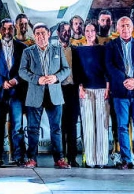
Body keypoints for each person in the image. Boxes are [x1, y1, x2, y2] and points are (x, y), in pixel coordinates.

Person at [19, 23, 71, 169]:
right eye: (37, 34)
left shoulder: (57, 49)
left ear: (48, 34)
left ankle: (59, 159)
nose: (40, 36)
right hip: (35, 94)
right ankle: (32, 158)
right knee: (32, 129)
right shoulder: (28, 52)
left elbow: (66, 69)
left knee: (56, 128)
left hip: (54, 94)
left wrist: (56, 77)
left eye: (43, 33)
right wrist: (37, 79)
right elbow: (22, 71)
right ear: (34, 36)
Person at [106, 17, 134, 170]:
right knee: (122, 126)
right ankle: (127, 159)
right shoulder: (111, 45)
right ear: (117, 28)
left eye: (127, 25)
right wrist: (125, 80)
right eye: (122, 26)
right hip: (120, 91)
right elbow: (110, 65)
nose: (125, 28)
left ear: (132, 28)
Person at [0, 18, 28, 167]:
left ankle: (19, 157)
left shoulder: (22, 47)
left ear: (14, 29)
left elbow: (25, 68)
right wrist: (1, 82)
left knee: (17, 126)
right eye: (4, 28)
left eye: (10, 28)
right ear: (0, 30)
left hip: (16, 93)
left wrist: (16, 80)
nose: (7, 31)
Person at [74, 22, 109, 168]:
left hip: (102, 89)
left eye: (92, 30)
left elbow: (107, 69)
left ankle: (102, 160)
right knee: (88, 125)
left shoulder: (103, 49)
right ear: (84, 33)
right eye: (87, 31)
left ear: (96, 32)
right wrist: (80, 87)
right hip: (86, 90)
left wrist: (108, 87)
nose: (90, 33)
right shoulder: (78, 50)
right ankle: (90, 160)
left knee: (102, 125)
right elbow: (77, 71)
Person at [56, 21, 80, 167]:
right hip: (58, 91)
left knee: (72, 125)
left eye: (68, 30)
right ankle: (61, 157)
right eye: (63, 30)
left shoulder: (76, 50)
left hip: (73, 91)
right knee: (60, 125)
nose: (66, 33)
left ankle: (72, 157)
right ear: (58, 33)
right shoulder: (52, 50)